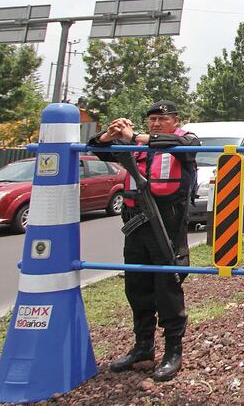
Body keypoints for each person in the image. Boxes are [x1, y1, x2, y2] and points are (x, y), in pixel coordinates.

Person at [89, 100, 200, 382]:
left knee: (168, 289)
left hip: (167, 228)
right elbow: (96, 149)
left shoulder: (185, 140)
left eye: (162, 119)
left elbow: (177, 144)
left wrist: (135, 137)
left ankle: (173, 350)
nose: (156, 124)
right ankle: (143, 347)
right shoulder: (135, 148)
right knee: (136, 287)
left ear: (175, 121)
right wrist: (109, 135)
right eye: (151, 119)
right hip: (137, 227)